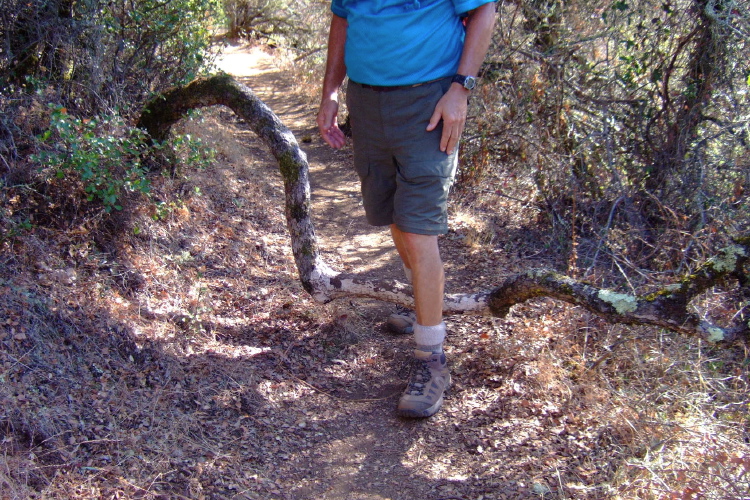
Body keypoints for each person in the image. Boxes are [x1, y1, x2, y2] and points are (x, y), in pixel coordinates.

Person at [317, 0, 496, 418]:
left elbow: (484, 10)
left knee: (417, 227)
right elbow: (343, 19)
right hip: (366, 102)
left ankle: (432, 360)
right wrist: (330, 90)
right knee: (395, 217)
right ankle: (422, 307)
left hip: (428, 102)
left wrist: (460, 89)